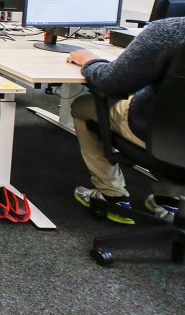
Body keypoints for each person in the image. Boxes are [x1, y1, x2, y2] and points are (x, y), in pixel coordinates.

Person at [67, 18, 185, 223]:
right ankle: (170, 198)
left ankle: (111, 195)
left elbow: (111, 82)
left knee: (82, 106)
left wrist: (89, 60)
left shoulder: (171, 31)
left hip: (157, 133)